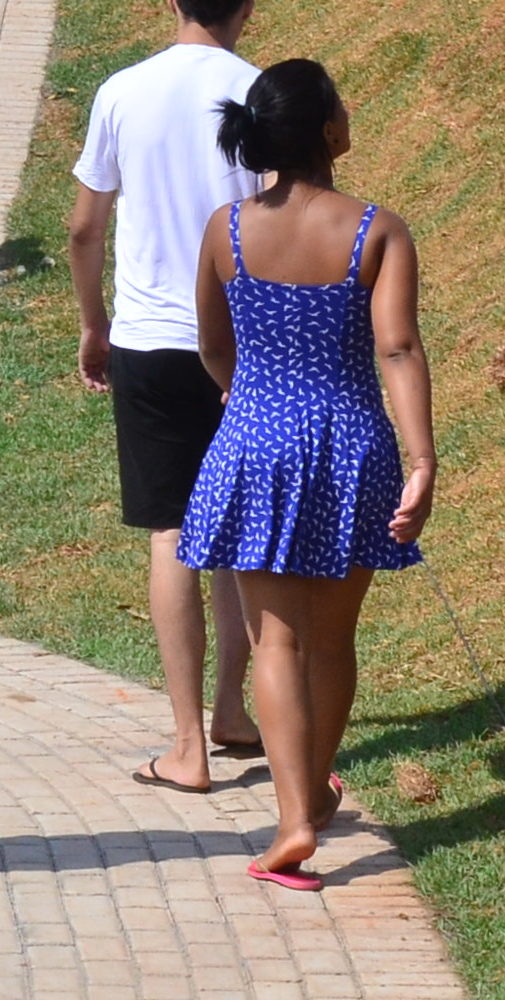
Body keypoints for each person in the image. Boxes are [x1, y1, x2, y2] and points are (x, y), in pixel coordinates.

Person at [176, 59, 434, 893]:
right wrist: (423, 458)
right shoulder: (376, 230)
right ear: (328, 131)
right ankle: (314, 793)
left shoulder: (228, 228)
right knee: (331, 638)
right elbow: (397, 348)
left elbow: (213, 345)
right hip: (352, 447)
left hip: (253, 441)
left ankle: (293, 819)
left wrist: (244, 400)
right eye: (342, 102)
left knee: (273, 642)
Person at [70, 0, 264, 794]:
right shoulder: (257, 92)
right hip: (243, 343)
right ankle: (234, 709)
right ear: (245, 6)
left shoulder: (122, 91)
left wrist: (94, 324)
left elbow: (84, 228)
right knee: (241, 535)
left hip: (148, 340)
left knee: (175, 533)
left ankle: (187, 742)